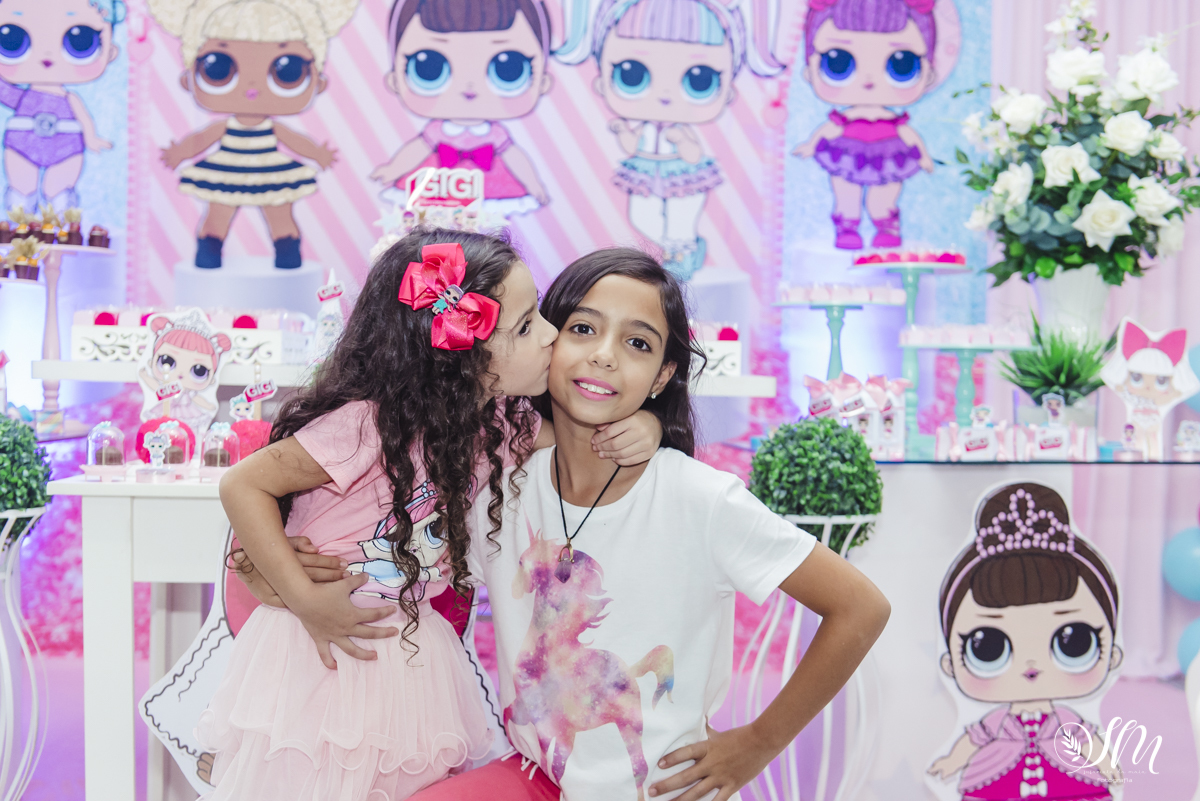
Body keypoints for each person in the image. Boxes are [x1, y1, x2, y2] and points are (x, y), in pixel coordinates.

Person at [200, 228, 662, 801]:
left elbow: (585, 445)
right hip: (321, 651)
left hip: (408, 654)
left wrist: (648, 424)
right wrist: (305, 598)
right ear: (461, 357)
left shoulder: (499, 427)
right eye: (525, 326)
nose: (551, 335)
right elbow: (243, 484)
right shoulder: (367, 425)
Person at [557, 0, 782, 280]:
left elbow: (693, 155)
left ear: (728, 92)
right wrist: (623, 132)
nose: (664, 95)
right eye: (631, 74)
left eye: (700, 80)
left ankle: (681, 256)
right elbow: (632, 146)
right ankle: (683, 251)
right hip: (646, 171)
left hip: (683, 175)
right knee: (642, 216)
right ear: (602, 81)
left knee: (680, 222)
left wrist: (682, 142)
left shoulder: (681, 129)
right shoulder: (643, 127)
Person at [928, 483, 1123, 800]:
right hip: (996, 777)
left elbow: (1085, 741)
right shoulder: (995, 724)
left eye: (1074, 643)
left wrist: (1105, 764)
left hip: (1068, 779)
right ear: (950, 663)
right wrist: (951, 762)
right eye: (987, 648)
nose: (1031, 666)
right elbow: (973, 740)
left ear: (1112, 655)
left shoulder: (1066, 723)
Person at [147, 0, 357, 268]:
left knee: (279, 211)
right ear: (188, 78)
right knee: (218, 212)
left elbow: (294, 141)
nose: (252, 86)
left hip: (271, 171)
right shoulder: (225, 127)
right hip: (227, 170)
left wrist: (317, 154)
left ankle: (287, 252)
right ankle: (209, 251)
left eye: (288, 70)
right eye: (218, 67)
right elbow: (202, 140)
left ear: (319, 82)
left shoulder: (272, 128)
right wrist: (179, 153)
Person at [370, 0, 554, 218]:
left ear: (542, 82)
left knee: (490, 228)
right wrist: (393, 170)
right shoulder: (437, 131)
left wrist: (534, 185)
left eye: (508, 69)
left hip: (492, 189)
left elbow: (515, 158)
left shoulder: (496, 135)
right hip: (437, 189)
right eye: (428, 67)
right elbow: (416, 151)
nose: (469, 88)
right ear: (394, 80)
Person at [791, 0, 938, 249]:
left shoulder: (895, 122)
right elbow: (830, 129)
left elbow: (909, 135)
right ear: (810, 69)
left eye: (901, 64)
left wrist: (923, 156)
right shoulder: (845, 119)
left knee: (884, 196)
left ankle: (886, 227)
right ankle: (847, 228)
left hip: (890, 156)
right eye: (837, 63)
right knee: (846, 193)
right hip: (846, 154)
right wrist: (811, 145)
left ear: (928, 74)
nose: (869, 80)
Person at [0, 0, 123, 212]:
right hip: (21, 144)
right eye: (12, 40)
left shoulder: (70, 98)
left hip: (66, 147)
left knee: (58, 191)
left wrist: (91, 138)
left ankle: (61, 217)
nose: (46, 57)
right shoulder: (21, 97)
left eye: (81, 42)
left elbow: (84, 119)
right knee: (22, 187)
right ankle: (20, 217)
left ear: (110, 51)